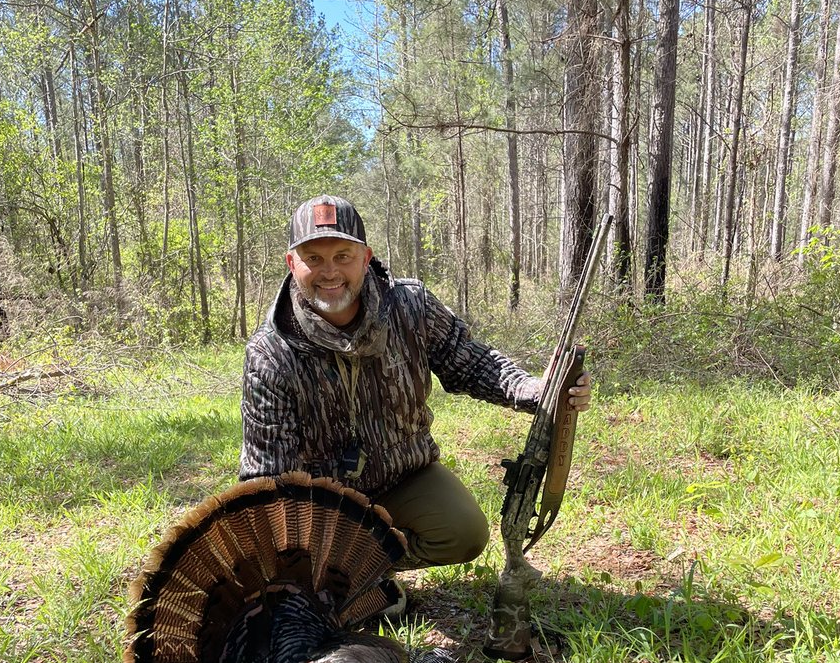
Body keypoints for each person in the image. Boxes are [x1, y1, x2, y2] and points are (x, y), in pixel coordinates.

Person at [240, 195, 591, 599]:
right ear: (292, 263)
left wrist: (539, 391)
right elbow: (268, 475)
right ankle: (346, 580)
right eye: (313, 259)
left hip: (402, 474)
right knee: (296, 575)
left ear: (366, 257)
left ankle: (360, 574)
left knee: (463, 532)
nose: (329, 272)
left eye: (343, 255)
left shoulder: (410, 306)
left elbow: (472, 363)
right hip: (322, 503)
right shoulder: (271, 353)